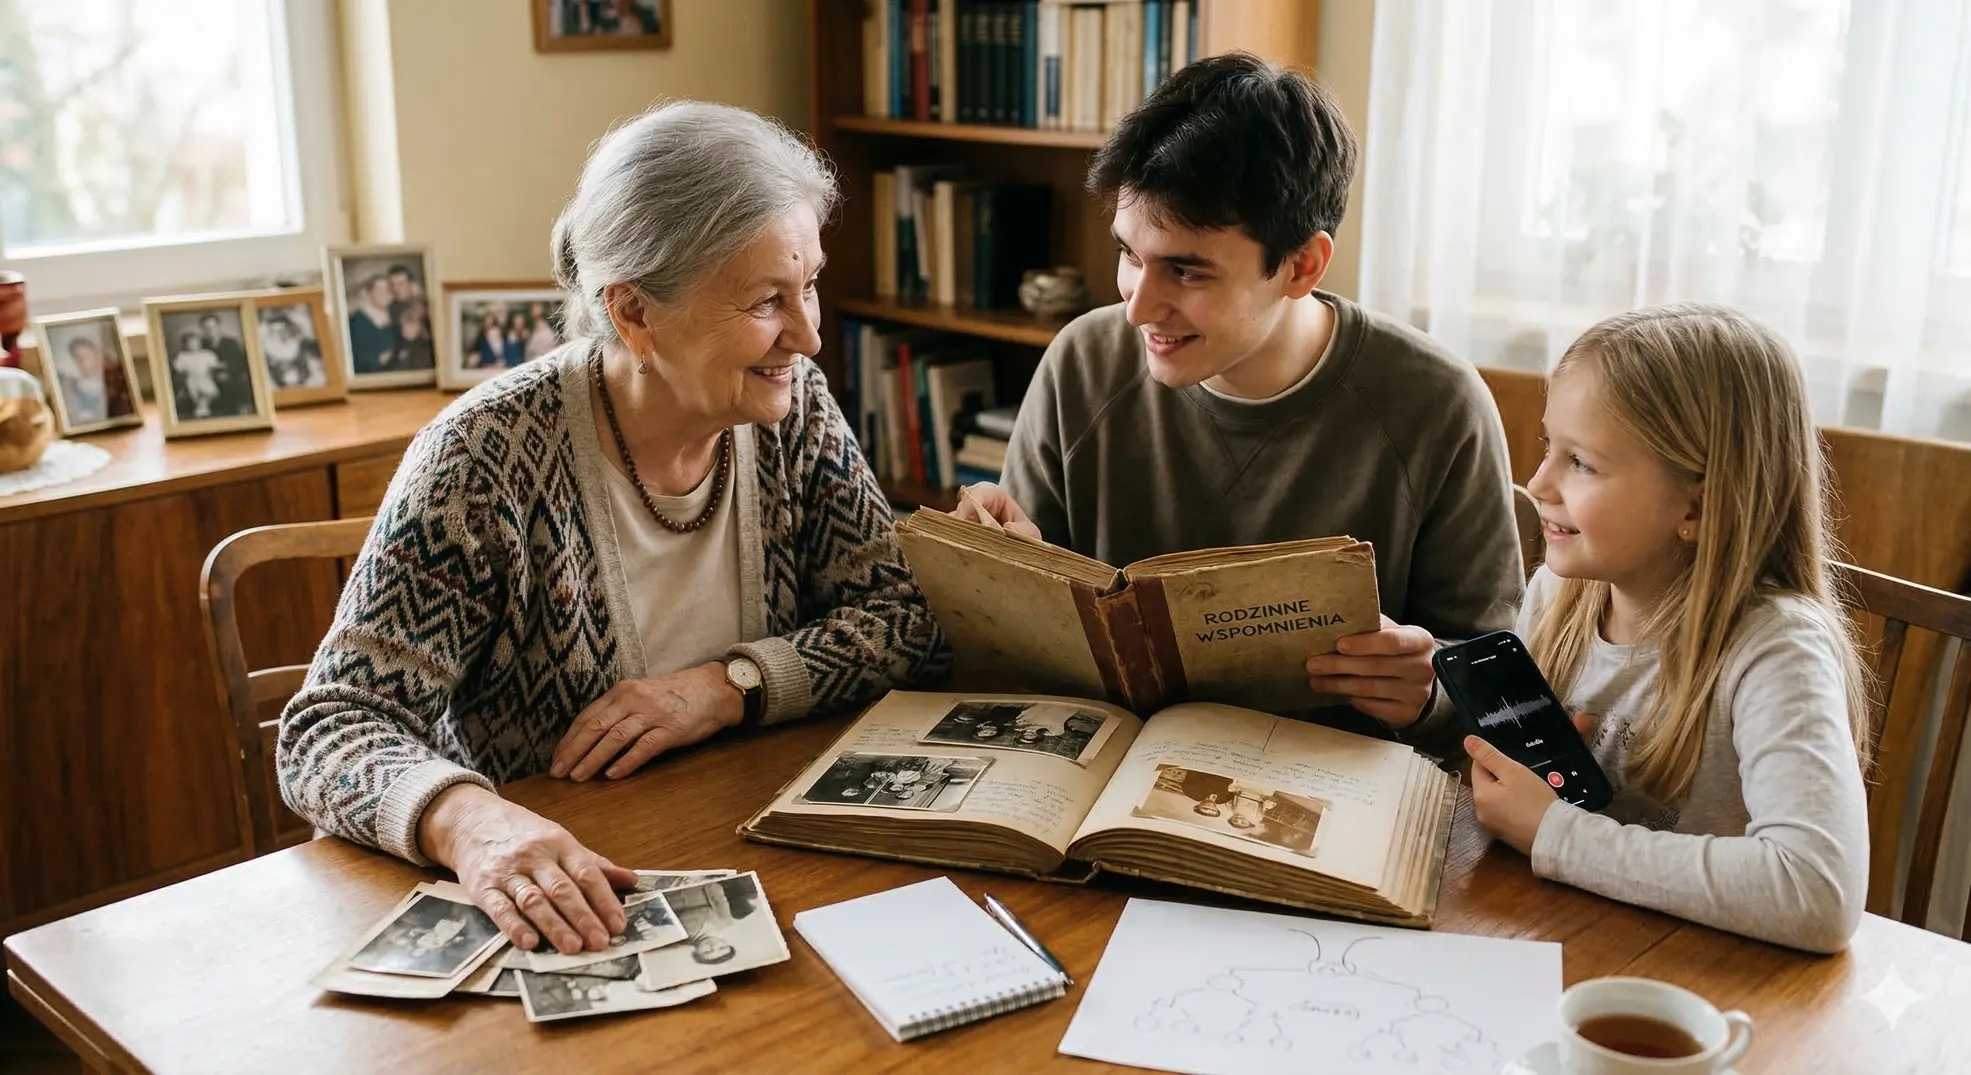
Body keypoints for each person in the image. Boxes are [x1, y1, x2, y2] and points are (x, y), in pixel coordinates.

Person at [279, 100, 948, 959]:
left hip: (760, 858)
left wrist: (729, 684)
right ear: (633, 313)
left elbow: (905, 620)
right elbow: (329, 727)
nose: (809, 337)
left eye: (808, 282)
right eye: (765, 301)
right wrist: (471, 823)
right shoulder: (484, 458)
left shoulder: (791, 411)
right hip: (567, 902)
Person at [955, 53, 1521, 737]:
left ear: (1301, 266)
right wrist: (998, 568)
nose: (1137, 309)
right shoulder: (1082, 359)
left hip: (1336, 793)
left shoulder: (1437, 405)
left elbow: (1498, 690)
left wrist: (1433, 690)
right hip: (1109, 772)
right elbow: (1035, 640)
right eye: (1130, 255)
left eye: (1186, 272)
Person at [1460, 303, 1870, 953]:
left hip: (1717, 985)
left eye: (1582, 463)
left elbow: (1816, 891)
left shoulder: (1775, 649)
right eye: (1548, 446)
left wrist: (1554, 833)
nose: (1537, 483)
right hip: (1576, 940)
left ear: (1697, 507)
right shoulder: (1559, 593)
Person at [348, 275, 399, 373]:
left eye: (388, 290)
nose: (385, 294)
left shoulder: (397, 318)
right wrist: (377, 360)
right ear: (369, 293)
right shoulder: (357, 322)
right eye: (380, 290)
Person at [56, 335, 110, 424]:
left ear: (96, 356)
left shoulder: (111, 382)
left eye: (86, 356)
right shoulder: (69, 386)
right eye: (78, 358)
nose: (82, 363)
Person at [171, 329, 223, 419]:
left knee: (204, 385)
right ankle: (203, 408)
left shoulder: (207, 354)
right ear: (185, 344)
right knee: (194, 383)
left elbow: (215, 367)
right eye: (190, 343)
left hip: (207, 377)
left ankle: (202, 408)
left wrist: (214, 371)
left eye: (195, 342)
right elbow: (179, 371)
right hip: (190, 379)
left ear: (199, 342)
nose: (193, 345)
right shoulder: (182, 356)